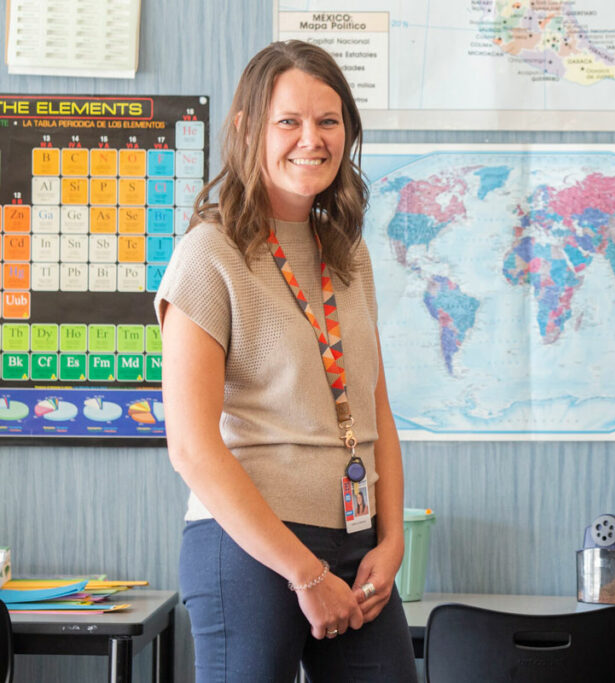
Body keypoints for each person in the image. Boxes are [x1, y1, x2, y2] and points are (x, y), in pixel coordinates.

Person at [156, 40, 417, 682]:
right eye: (289, 122)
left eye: (329, 122)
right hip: (249, 549)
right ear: (248, 129)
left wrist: (391, 540)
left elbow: (374, 405)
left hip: (356, 545)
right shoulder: (208, 253)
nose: (312, 139)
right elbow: (190, 447)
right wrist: (305, 572)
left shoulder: (348, 255)